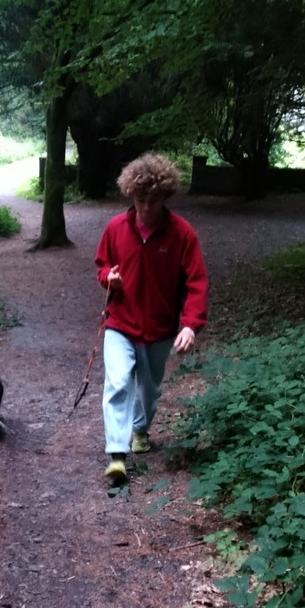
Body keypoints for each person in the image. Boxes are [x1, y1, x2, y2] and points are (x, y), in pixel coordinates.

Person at [94, 153, 209, 485]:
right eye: (140, 199)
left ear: (165, 197)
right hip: (119, 323)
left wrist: (190, 324)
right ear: (131, 195)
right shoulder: (116, 228)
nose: (146, 207)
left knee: (149, 389)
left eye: (154, 200)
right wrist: (108, 278)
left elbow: (197, 281)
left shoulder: (182, 234)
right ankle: (117, 454)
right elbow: (102, 265)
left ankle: (140, 430)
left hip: (159, 328)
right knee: (117, 383)